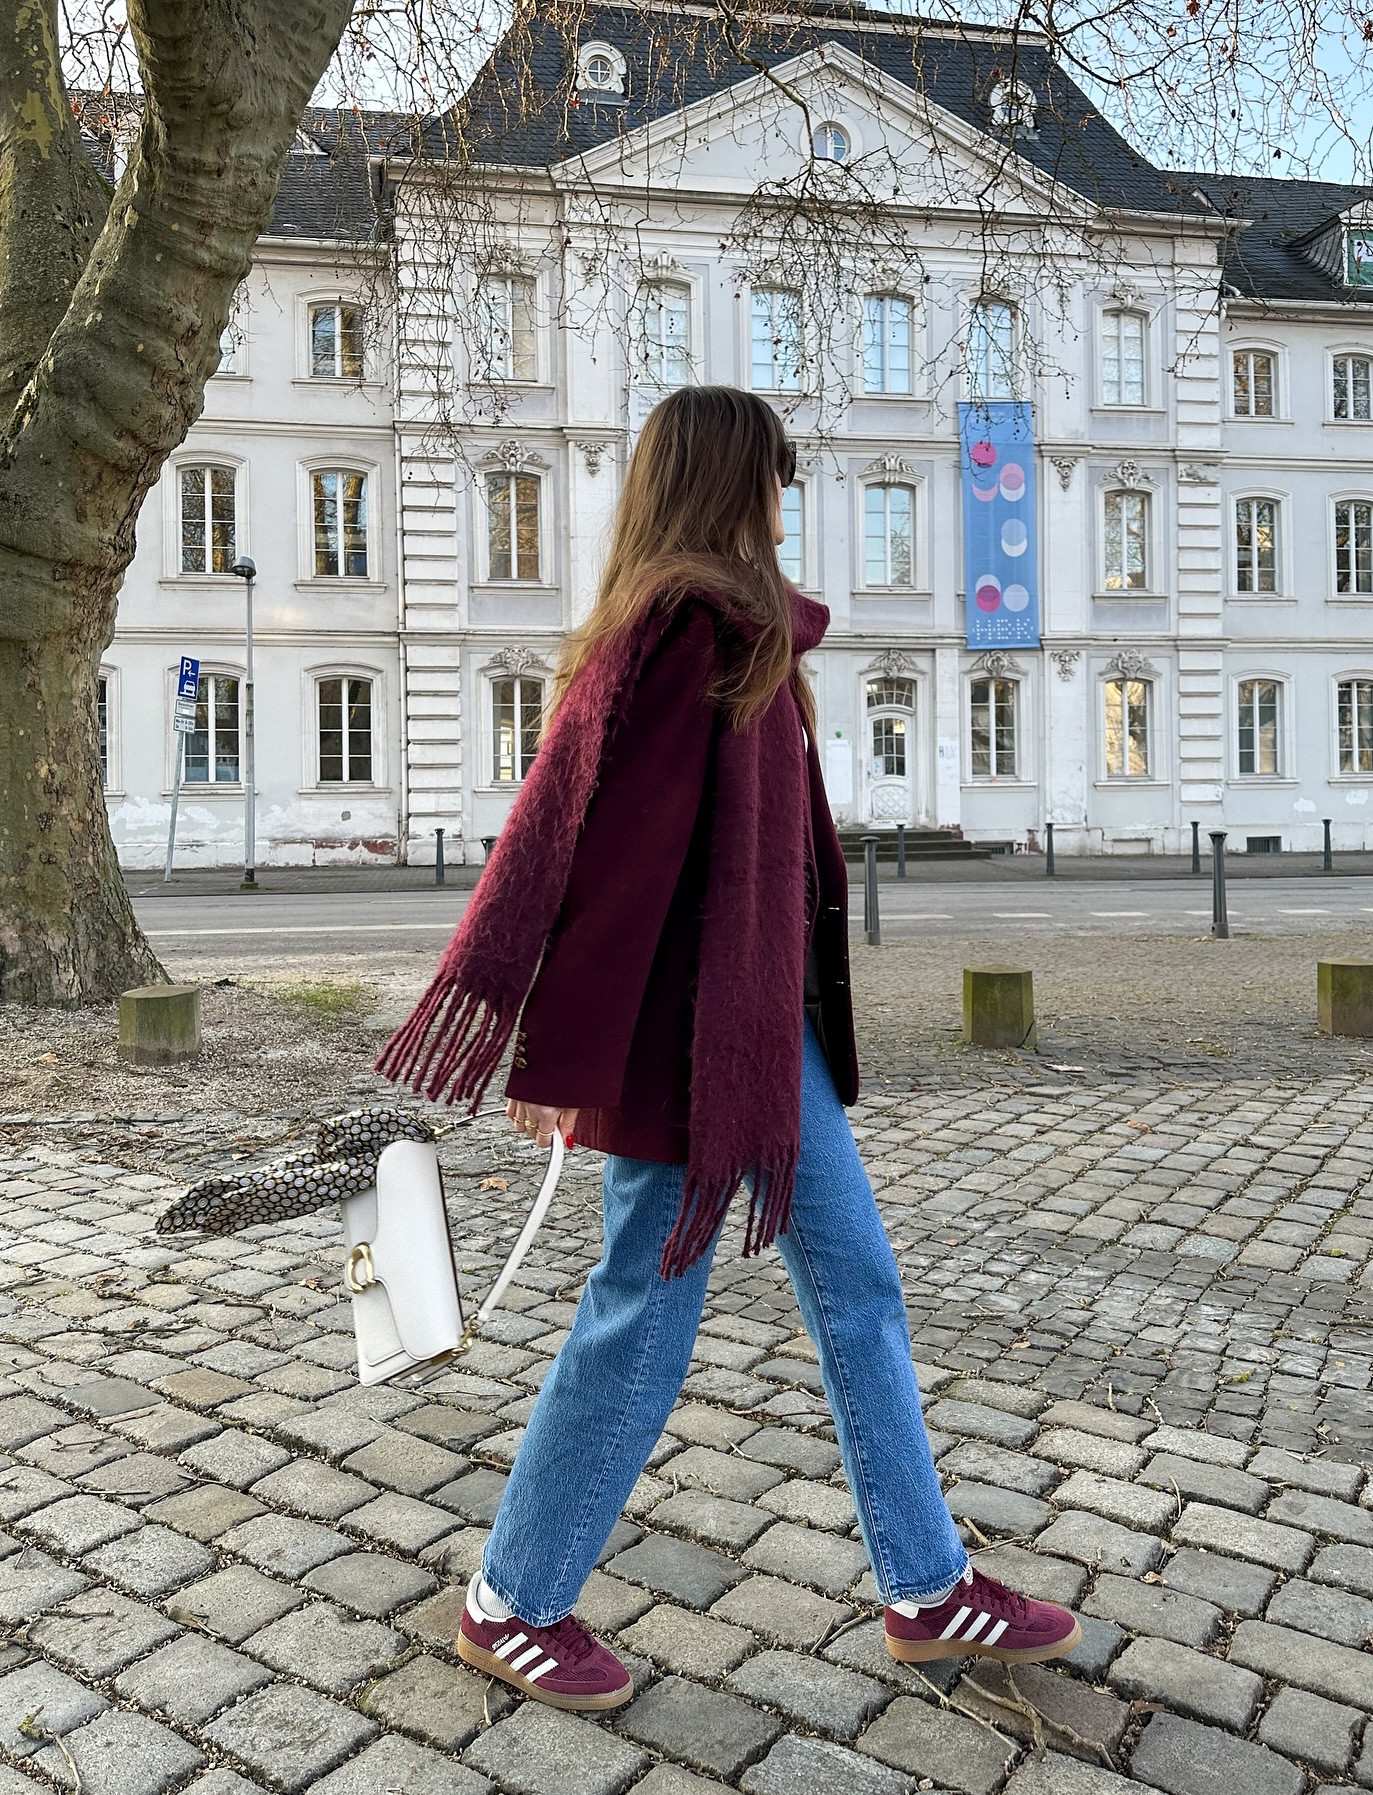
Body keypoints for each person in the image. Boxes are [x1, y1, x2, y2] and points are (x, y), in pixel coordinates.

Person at [377, 385, 1080, 1712]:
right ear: (729, 487)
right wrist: (559, 1060)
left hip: (762, 1033)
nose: (785, 499)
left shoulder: (735, 634)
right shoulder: (687, 633)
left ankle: (925, 1587)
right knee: (641, 1316)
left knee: (859, 1286)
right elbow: (604, 857)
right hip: (682, 1044)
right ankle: (511, 1600)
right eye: (775, 475)